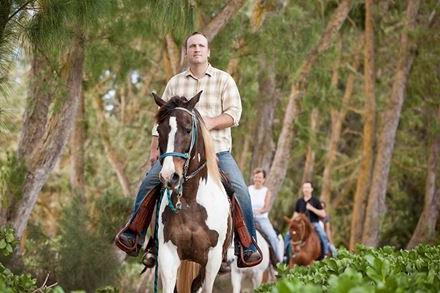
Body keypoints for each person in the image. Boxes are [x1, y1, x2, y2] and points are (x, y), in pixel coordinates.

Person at [117, 32, 261, 269]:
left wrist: (206, 123)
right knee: (149, 182)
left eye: (201, 45)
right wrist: (155, 148)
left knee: (240, 190)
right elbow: (162, 118)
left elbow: (234, 114)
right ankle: (136, 235)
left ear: (208, 51)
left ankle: (246, 246)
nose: (196, 49)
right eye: (192, 46)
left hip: (217, 152)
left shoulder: (223, 80)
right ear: (187, 52)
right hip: (178, 154)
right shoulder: (175, 82)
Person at [248, 168, 283, 263]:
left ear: (264, 179)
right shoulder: (249, 189)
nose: (257, 179)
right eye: (256, 177)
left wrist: (258, 211)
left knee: (273, 237)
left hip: (261, 219)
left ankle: (279, 262)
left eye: (260, 177)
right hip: (248, 217)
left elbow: (267, 207)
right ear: (253, 178)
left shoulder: (266, 191)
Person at [292, 182, 331, 257]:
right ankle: (286, 255)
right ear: (302, 190)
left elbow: (323, 214)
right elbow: (295, 215)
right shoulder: (299, 201)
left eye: (307, 188)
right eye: (304, 188)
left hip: (314, 224)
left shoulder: (316, 200)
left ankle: (326, 253)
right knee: (288, 235)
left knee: (323, 235)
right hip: (301, 225)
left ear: (311, 189)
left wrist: (312, 208)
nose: (306, 190)